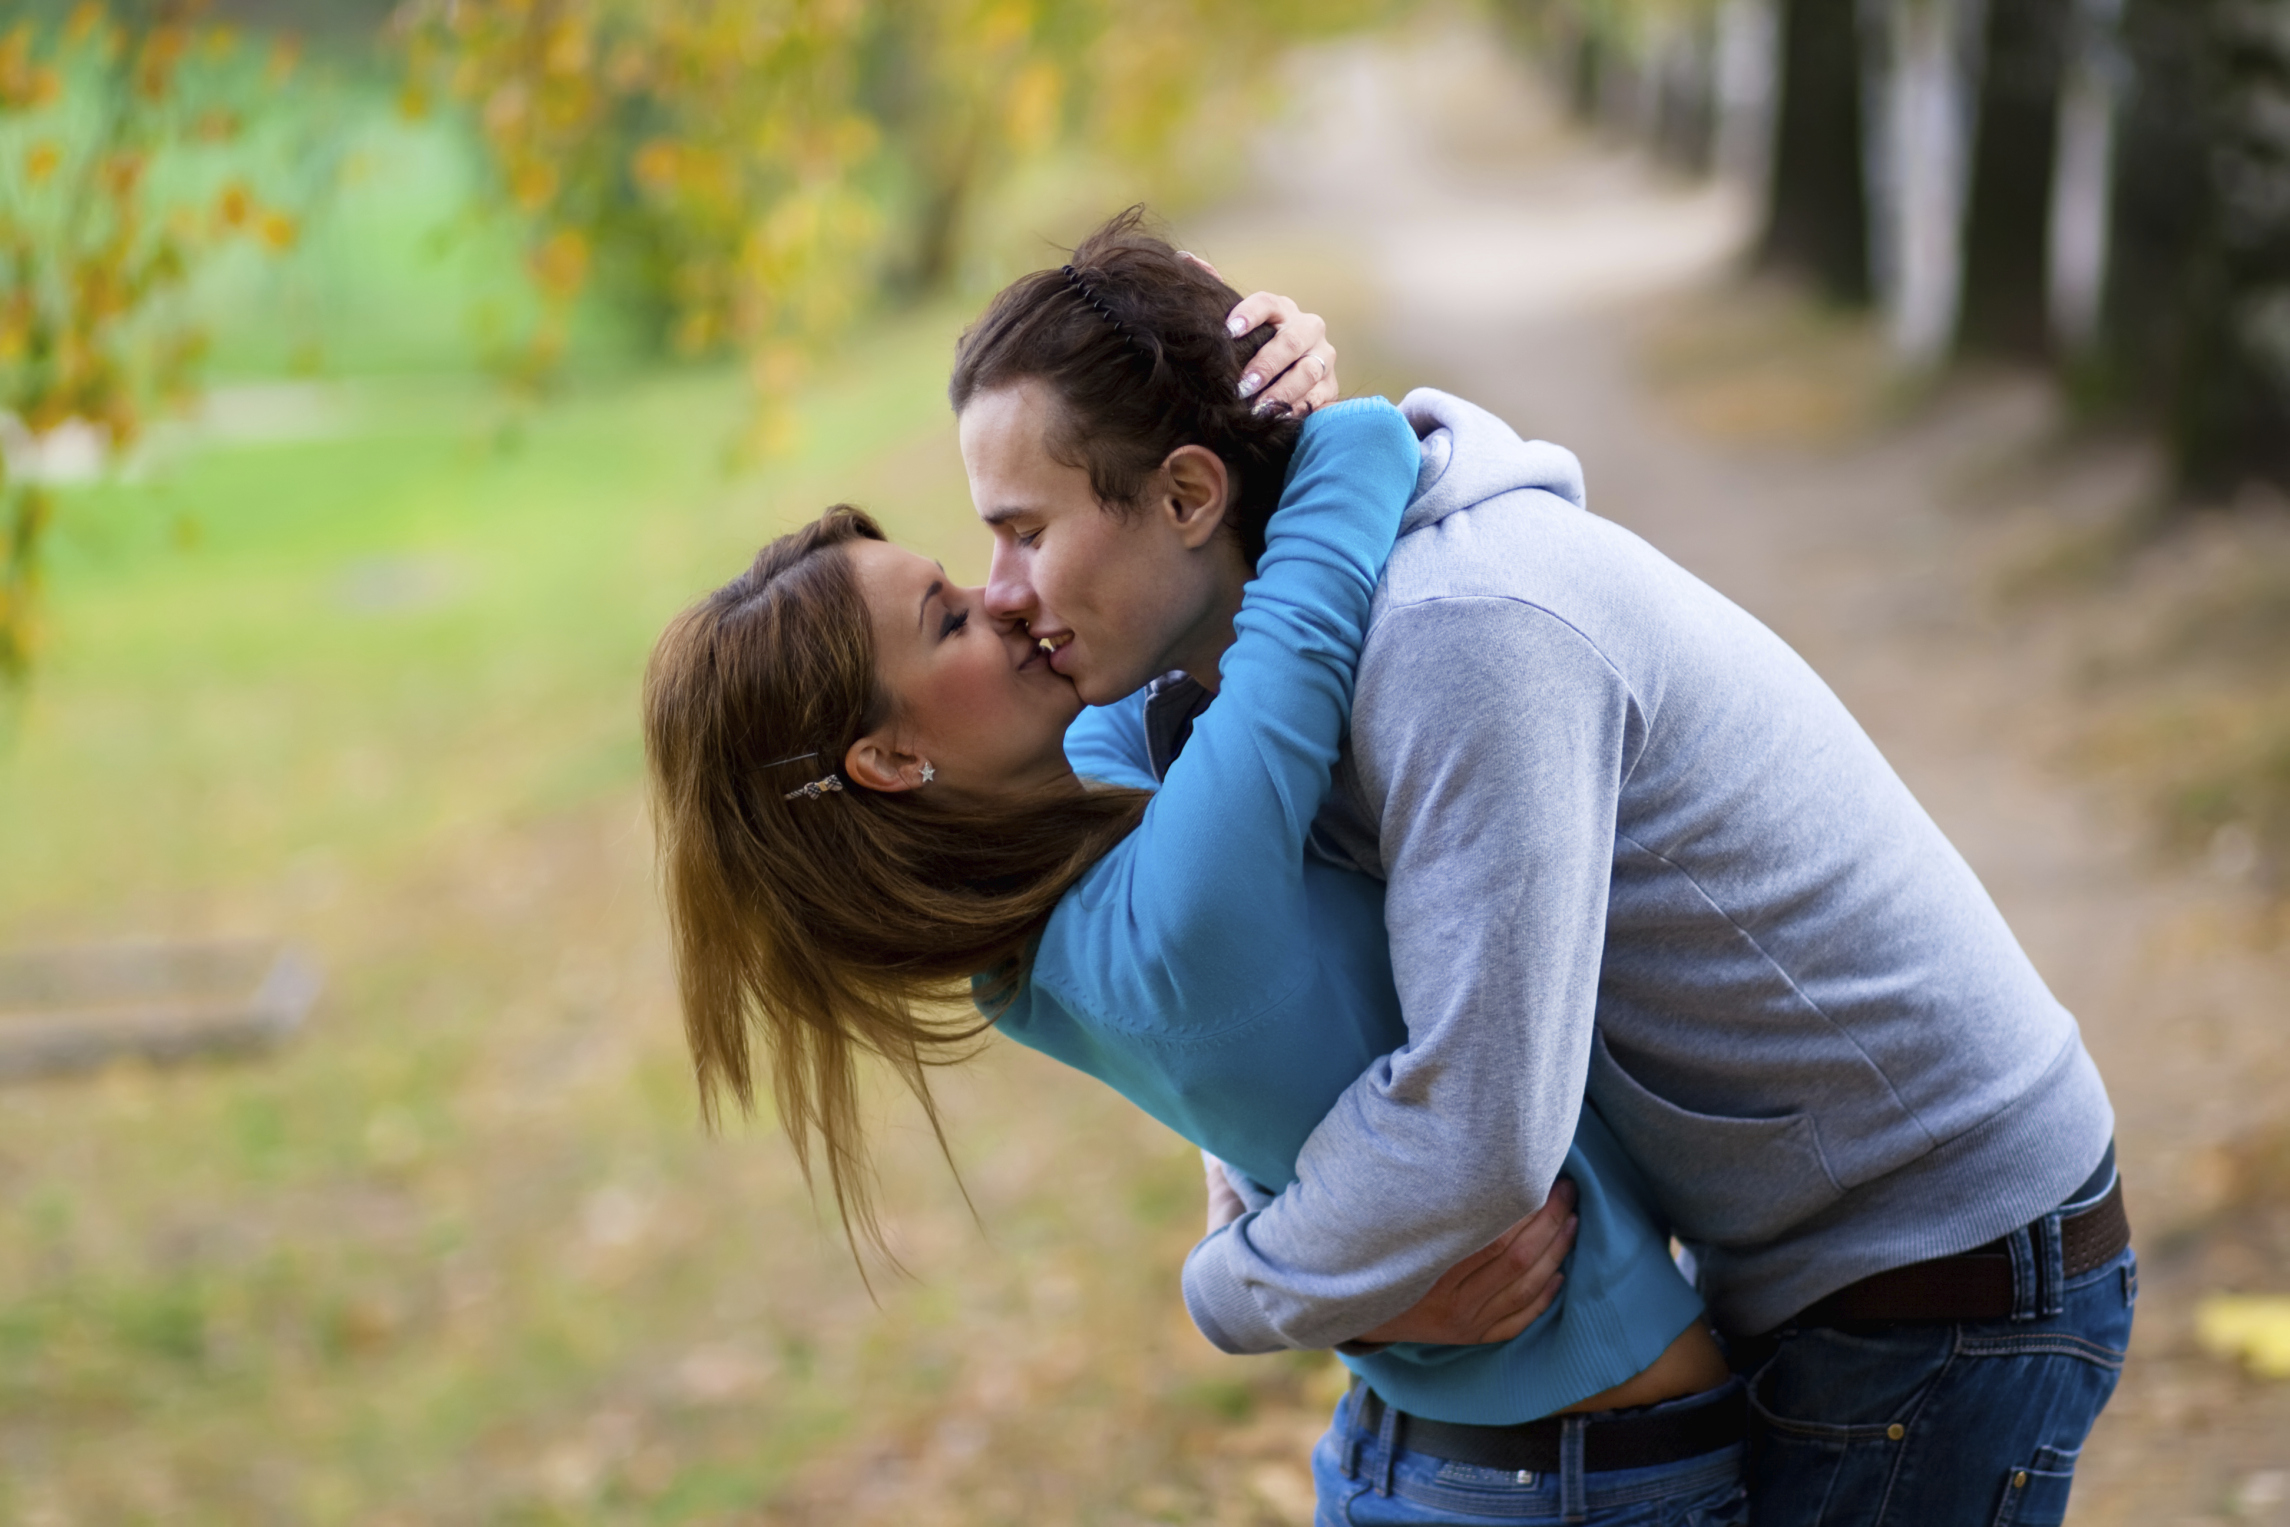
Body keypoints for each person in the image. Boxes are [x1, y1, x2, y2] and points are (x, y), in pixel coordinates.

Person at [985, 235, 2134, 1521]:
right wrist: (1330, 1261)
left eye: (1023, 532)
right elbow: (1238, 1025)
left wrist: (1233, 1292)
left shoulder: (1460, 635)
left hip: (1936, 1253)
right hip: (1799, 1245)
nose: (1000, 593)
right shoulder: (1229, 678)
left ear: (1190, 498)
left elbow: (1480, 1137)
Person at [643, 216, 1751, 1526]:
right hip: (1582, 1477)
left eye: (984, 561)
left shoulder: (1039, 950)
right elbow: (1328, 541)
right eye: (949, 615)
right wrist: (1274, 406)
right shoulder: (1180, 905)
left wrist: (1221, 394)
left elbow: (1142, 669)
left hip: (1436, 1456)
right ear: (886, 759)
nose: (1003, 599)